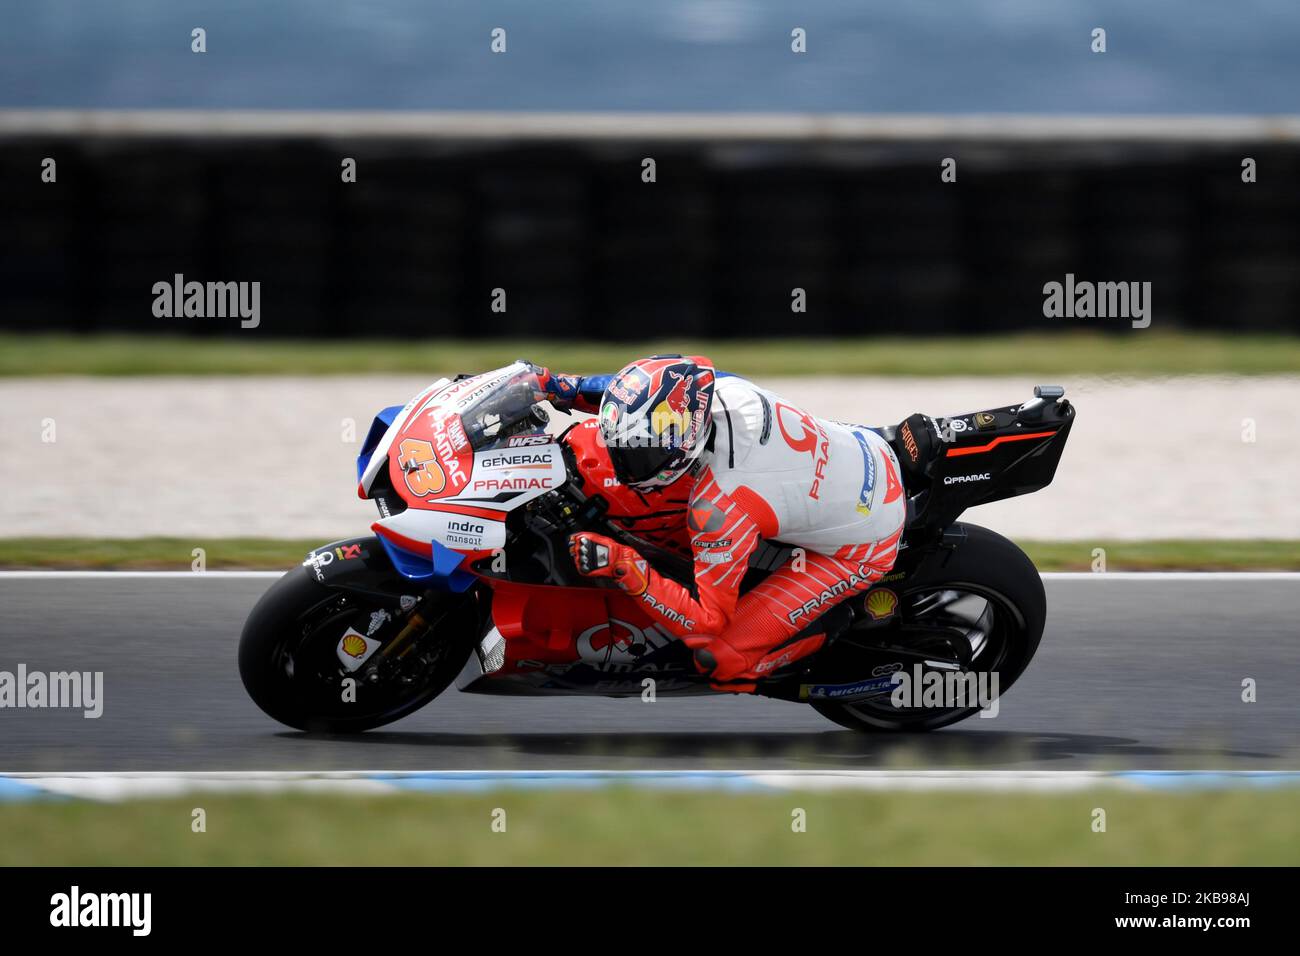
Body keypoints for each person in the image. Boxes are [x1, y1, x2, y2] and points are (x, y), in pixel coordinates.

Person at [528, 355, 906, 692]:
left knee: (720, 659)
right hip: (863, 449)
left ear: (682, 442)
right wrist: (568, 387)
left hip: (862, 542)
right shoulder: (714, 387)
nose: (625, 465)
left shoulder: (720, 506)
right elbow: (645, 388)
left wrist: (626, 565)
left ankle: (839, 620)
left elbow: (706, 623)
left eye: (641, 454)